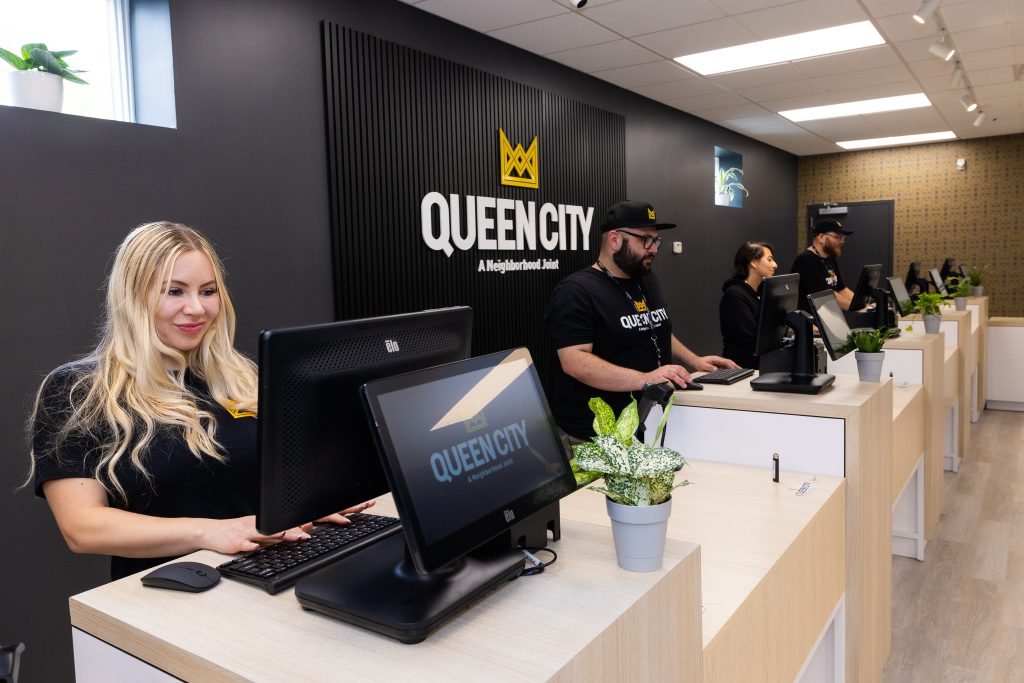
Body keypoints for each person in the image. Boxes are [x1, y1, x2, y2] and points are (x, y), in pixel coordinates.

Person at [27, 222, 372, 580]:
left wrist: (311, 503)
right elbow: (82, 528)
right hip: (179, 590)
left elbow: (268, 484)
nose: (197, 308)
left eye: (208, 291)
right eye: (174, 291)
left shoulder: (241, 376)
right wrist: (211, 532)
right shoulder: (78, 391)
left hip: (276, 568)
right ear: (131, 297)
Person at [545, 200, 738, 439]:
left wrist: (695, 361)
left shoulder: (646, 279)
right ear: (615, 240)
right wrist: (645, 379)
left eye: (655, 240)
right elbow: (574, 361)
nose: (654, 248)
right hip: (596, 436)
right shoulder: (576, 291)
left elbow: (656, 327)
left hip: (647, 423)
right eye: (645, 240)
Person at [719, 241, 777, 369]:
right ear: (753, 262)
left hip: (764, 365)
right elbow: (753, 339)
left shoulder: (762, 291)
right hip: (742, 369)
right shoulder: (734, 295)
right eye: (769, 260)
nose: (775, 264)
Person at [790, 218, 855, 311]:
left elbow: (842, 289)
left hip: (826, 318)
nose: (842, 241)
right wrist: (857, 307)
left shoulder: (830, 258)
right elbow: (826, 296)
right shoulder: (806, 260)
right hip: (810, 323)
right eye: (837, 237)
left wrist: (863, 304)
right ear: (821, 237)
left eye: (842, 237)